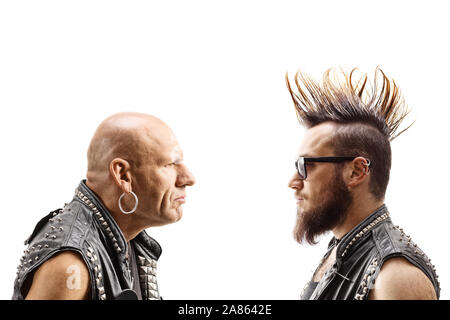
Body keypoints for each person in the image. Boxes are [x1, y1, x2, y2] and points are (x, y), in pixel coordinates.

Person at [286, 68, 440, 300]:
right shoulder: (340, 248)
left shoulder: (395, 277)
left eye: (306, 165)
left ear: (356, 171)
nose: (294, 182)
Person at [12, 112, 196, 300]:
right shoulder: (70, 265)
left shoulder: (130, 239)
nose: (188, 179)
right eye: (172, 164)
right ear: (123, 175)